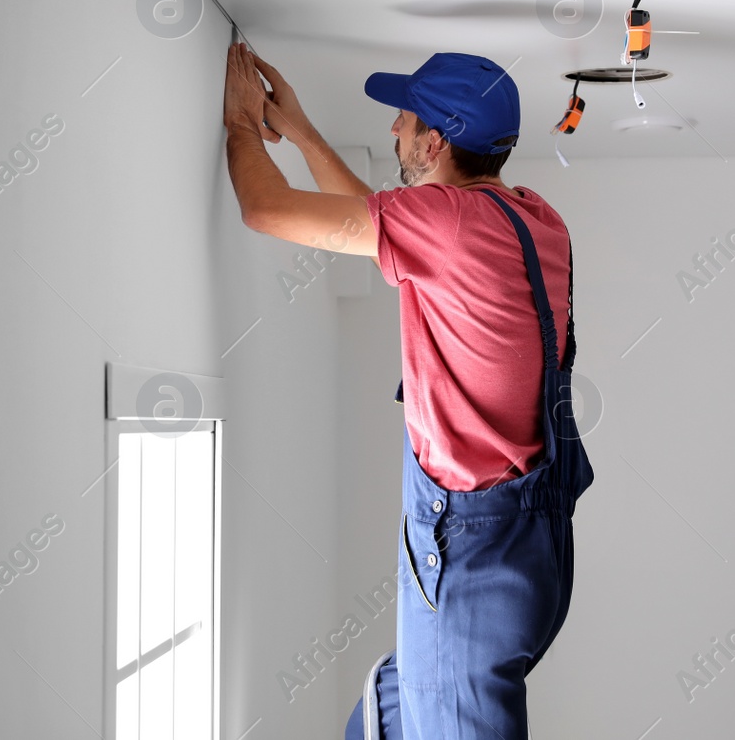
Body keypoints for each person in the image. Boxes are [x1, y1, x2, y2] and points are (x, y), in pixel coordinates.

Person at [223, 41, 594, 740]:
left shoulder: (446, 224)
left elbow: (263, 208)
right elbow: (379, 223)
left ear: (437, 138)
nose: (394, 128)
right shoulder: (534, 219)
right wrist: (300, 131)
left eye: (405, 117)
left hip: (470, 566)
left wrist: (242, 123)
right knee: (380, 722)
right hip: (534, 554)